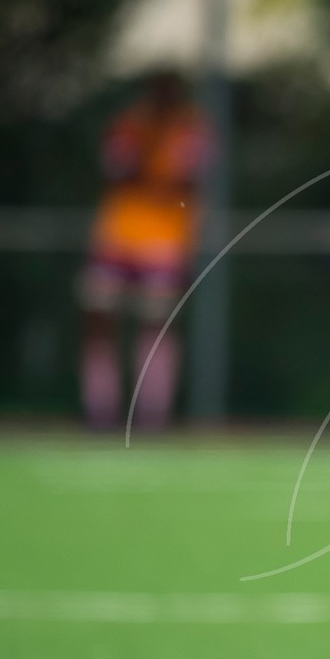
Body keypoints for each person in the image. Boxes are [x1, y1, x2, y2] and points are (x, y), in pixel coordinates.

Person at [79, 71, 213, 432]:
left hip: (164, 241)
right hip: (117, 235)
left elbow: (186, 181)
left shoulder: (191, 129)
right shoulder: (129, 125)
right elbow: (118, 171)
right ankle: (100, 410)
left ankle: (153, 413)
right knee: (99, 319)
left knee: (157, 325)